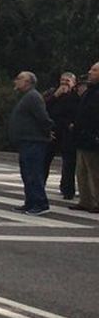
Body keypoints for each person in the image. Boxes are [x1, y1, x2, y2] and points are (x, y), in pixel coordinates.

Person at [8, 71, 55, 215]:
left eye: (19, 78)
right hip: (26, 141)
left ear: (28, 82)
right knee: (27, 173)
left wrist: (48, 131)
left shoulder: (33, 97)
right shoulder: (27, 97)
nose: (16, 81)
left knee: (34, 173)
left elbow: (43, 118)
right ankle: (30, 202)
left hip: (34, 141)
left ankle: (40, 203)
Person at [46, 72, 81, 201]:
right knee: (46, 160)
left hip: (67, 132)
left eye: (67, 81)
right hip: (53, 131)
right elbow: (45, 107)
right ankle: (40, 185)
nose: (64, 83)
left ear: (73, 83)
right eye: (62, 81)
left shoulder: (76, 96)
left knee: (69, 162)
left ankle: (67, 189)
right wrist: (56, 95)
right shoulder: (53, 94)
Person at [71, 62, 99, 213]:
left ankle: (96, 201)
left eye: (94, 70)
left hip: (92, 137)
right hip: (82, 137)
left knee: (94, 171)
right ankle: (85, 200)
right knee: (81, 171)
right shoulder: (90, 91)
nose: (90, 72)